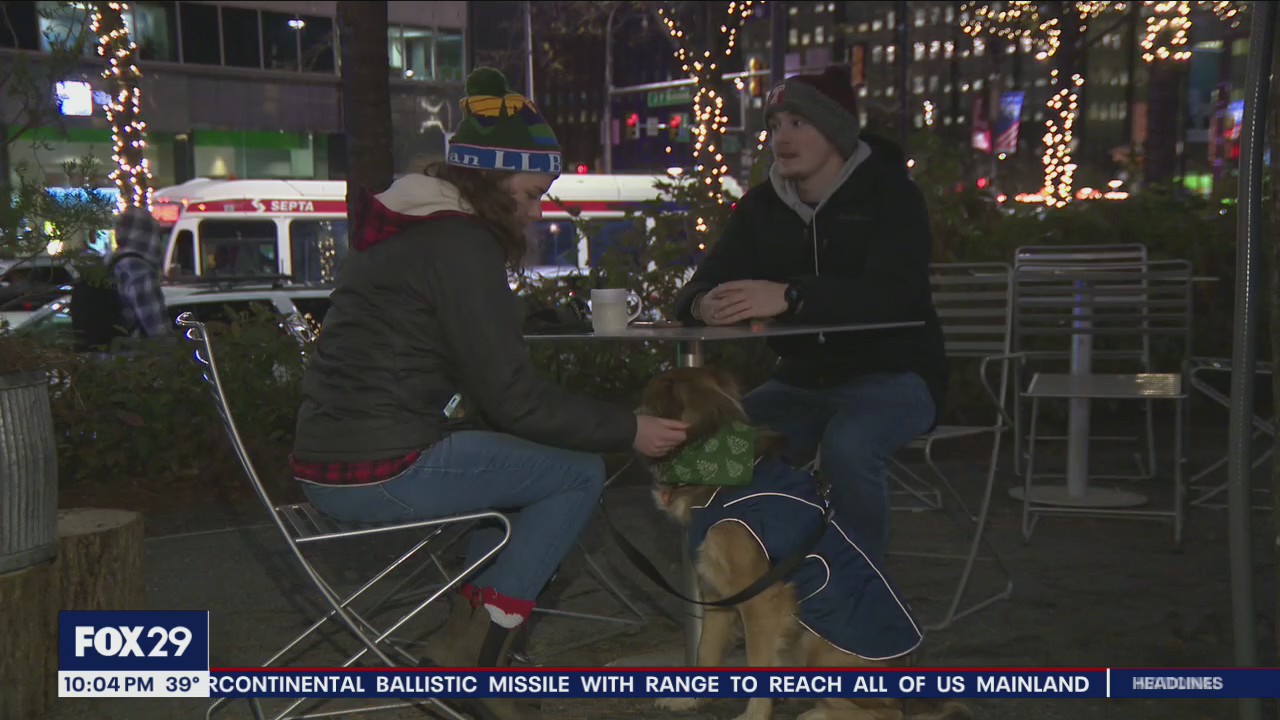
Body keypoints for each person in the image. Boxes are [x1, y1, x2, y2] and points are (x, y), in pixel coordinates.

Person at [290, 67, 686, 718]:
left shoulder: (411, 227)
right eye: (531, 193)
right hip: (380, 468)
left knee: (521, 465)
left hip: (331, 457)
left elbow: (479, 380)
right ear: (491, 179)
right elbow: (513, 399)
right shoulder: (459, 241)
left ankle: (463, 640)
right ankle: (479, 660)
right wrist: (630, 430)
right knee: (576, 473)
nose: (535, 212)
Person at [671, 66, 948, 565]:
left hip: (896, 377)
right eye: (775, 126)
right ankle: (739, 587)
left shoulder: (890, 194)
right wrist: (702, 303)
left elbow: (895, 295)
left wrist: (792, 297)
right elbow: (698, 284)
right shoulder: (762, 208)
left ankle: (858, 597)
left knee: (849, 446)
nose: (782, 138)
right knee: (713, 452)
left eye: (798, 123)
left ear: (835, 131)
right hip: (799, 383)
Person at [70, 206, 170, 352]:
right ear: (151, 235)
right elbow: (158, 328)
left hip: (100, 361)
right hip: (128, 363)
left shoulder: (109, 263)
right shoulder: (137, 268)